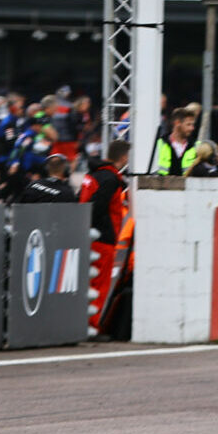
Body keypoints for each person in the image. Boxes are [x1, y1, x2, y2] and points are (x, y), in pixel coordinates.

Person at [80, 141, 133, 331]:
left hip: (88, 235)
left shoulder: (93, 174)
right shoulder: (111, 179)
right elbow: (97, 207)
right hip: (103, 238)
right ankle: (93, 325)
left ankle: (85, 323)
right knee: (99, 284)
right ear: (124, 158)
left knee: (88, 282)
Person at [153, 104, 200, 176]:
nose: (192, 128)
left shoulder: (197, 146)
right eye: (188, 124)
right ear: (177, 123)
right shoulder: (159, 144)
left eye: (193, 125)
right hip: (163, 186)